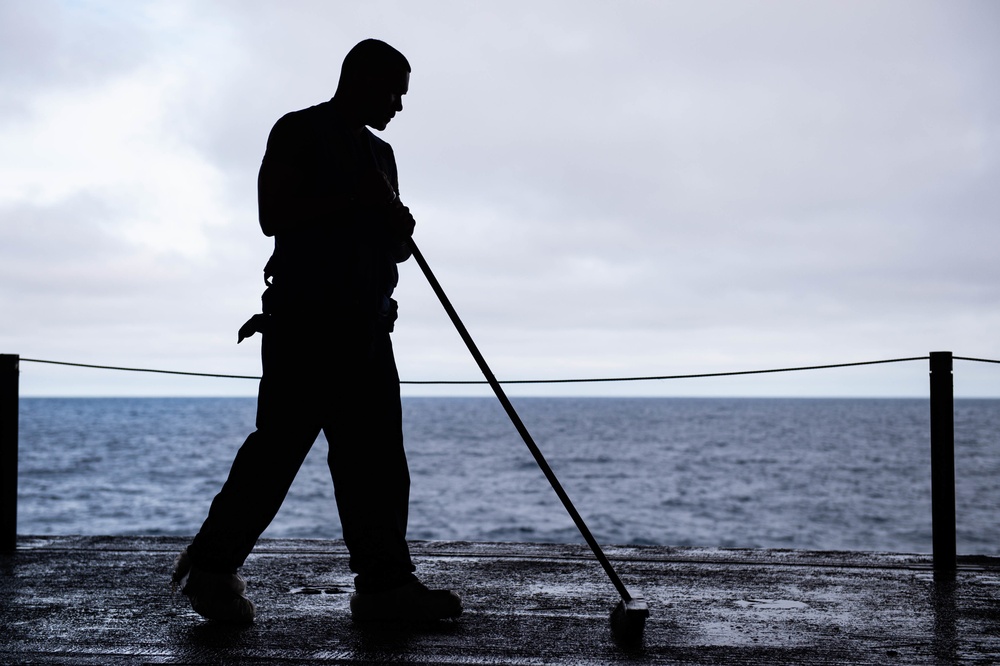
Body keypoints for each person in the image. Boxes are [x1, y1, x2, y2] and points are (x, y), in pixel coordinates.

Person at [171, 39, 462, 624]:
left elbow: (390, 247)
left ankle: (384, 587)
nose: (399, 107)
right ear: (359, 80)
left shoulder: (382, 156)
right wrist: (359, 200)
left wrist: (397, 229)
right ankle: (209, 571)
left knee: (377, 464)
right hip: (306, 330)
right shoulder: (298, 131)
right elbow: (272, 213)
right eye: (392, 92)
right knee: (275, 456)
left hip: (367, 330)